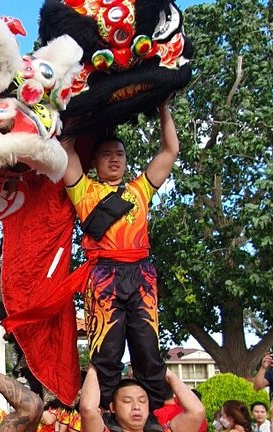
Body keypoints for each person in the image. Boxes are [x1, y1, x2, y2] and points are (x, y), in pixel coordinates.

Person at [61, 103, 179, 413]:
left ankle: (153, 411)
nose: (114, 159)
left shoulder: (140, 189)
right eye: (106, 154)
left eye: (120, 154)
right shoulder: (83, 190)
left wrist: (163, 108)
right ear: (95, 162)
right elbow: (65, 149)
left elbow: (169, 152)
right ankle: (103, 414)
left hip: (141, 276)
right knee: (106, 352)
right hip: (104, 278)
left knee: (147, 349)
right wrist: (73, 111)